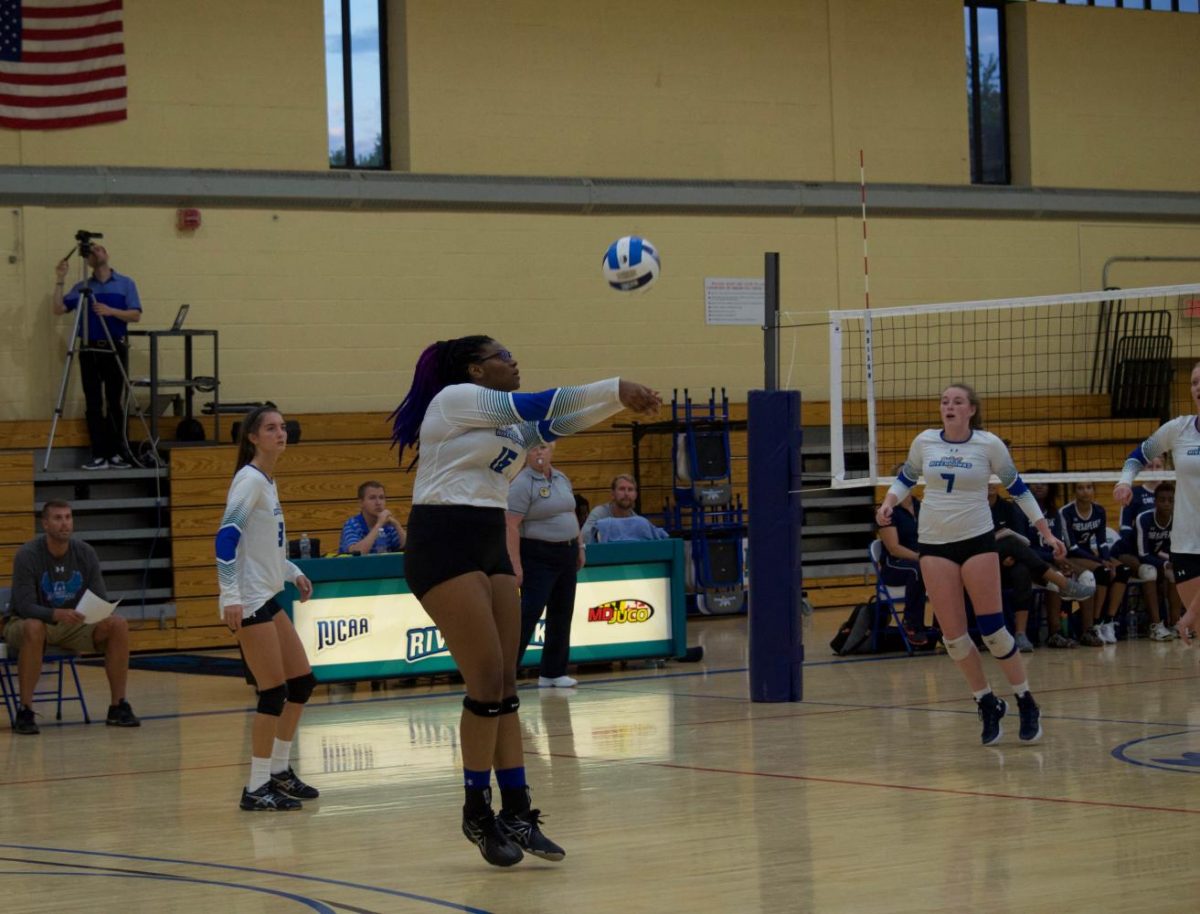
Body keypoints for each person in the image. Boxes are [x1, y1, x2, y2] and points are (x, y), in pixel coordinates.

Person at [389, 335, 659, 867]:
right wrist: (614, 384)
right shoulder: (456, 401)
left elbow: (558, 423)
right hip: (442, 542)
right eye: (502, 356)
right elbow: (538, 403)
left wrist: (615, 403)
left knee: (508, 679)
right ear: (475, 368)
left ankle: (516, 809)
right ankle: (476, 810)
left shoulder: (504, 428)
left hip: (487, 537)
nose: (513, 362)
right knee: (485, 677)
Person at [876, 383, 1067, 746]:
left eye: (957, 401)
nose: (949, 406)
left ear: (971, 410)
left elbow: (1019, 489)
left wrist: (1045, 532)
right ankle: (986, 701)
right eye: (945, 401)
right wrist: (889, 502)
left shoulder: (988, 444)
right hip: (933, 543)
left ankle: (1025, 699)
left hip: (977, 540)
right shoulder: (925, 441)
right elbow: (906, 478)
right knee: (954, 639)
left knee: (994, 631)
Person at [215, 406, 319, 812]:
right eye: (271, 428)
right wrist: (230, 596)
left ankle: (279, 771)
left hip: (266, 594)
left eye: (283, 427)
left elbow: (262, 547)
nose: (281, 433)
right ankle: (256, 786)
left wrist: (292, 572)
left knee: (302, 683)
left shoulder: (267, 481)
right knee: (273, 692)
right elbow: (226, 540)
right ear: (253, 437)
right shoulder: (249, 481)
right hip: (249, 600)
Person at [4, 501, 140, 734]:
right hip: (30, 622)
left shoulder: (85, 552)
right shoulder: (28, 554)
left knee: (118, 624)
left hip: (73, 623)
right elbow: (25, 606)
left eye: (68, 517)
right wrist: (56, 613)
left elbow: (100, 596)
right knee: (34, 627)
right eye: (57, 518)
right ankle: (25, 710)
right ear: (45, 524)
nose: (64, 523)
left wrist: (96, 611)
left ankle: (118, 706)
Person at [1115, 365, 1200, 643]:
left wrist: (1188, 615)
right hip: (1185, 543)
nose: (1198, 387)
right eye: (1194, 382)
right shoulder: (1179, 429)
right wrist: (1126, 481)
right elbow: (1137, 455)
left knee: (1192, 618)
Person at [53, 244, 142, 471]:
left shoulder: (125, 283)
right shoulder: (83, 287)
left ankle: (117, 453)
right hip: (90, 349)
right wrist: (60, 279)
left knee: (114, 401)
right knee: (93, 403)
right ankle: (99, 454)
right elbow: (58, 308)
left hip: (114, 347)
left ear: (107, 254)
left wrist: (111, 312)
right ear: (88, 260)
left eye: (100, 249)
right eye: (92, 251)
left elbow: (135, 314)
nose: (97, 252)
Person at [506, 442, 584, 688]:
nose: (539, 453)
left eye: (543, 448)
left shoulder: (561, 478)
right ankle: (507, 672)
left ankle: (553, 671)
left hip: (567, 551)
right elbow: (511, 525)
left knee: (562, 611)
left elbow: (571, 513)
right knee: (529, 612)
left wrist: (579, 545)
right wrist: (516, 565)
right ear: (525, 454)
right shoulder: (521, 484)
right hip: (538, 554)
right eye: (533, 449)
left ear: (552, 450)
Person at [987, 484, 1095, 652]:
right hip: (982, 562)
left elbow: (1021, 539)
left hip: (1008, 562)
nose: (990, 484)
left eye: (992, 480)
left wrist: (1010, 558)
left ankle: (1020, 634)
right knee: (1010, 542)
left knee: (1021, 571)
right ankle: (1064, 584)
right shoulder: (974, 508)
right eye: (986, 480)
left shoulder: (1008, 508)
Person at [1059, 481, 1129, 646]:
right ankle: (1095, 623)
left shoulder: (1099, 510)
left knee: (1123, 570)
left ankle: (1108, 621)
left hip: (1090, 554)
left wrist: (1106, 558)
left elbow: (1102, 542)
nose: (1085, 491)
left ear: (1094, 490)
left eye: (1089, 487)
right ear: (1074, 491)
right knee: (1103, 571)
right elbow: (1072, 547)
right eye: (1080, 488)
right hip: (1071, 555)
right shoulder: (1066, 512)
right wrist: (1102, 562)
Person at [1120, 482, 1181, 641]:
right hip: (1129, 555)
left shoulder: (1177, 519)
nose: (1167, 504)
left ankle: (1176, 623)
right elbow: (1143, 554)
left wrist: (1172, 562)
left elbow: (1172, 549)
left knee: (1176, 572)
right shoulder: (1144, 518)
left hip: (1154, 557)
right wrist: (1165, 564)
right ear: (1155, 502)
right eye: (1162, 500)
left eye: (1171, 500)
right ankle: (1156, 626)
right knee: (1149, 572)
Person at [876, 469, 929, 647]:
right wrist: (920, 557)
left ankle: (944, 628)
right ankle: (912, 624)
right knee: (918, 570)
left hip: (921, 560)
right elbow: (894, 549)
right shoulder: (888, 511)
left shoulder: (922, 506)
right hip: (895, 566)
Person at [339, 480, 407, 554]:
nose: (378, 503)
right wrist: (379, 524)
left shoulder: (389, 525)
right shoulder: (352, 525)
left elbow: (409, 548)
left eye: (381, 497)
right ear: (361, 503)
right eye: (372, 498)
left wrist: (397, 525)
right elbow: (357, 553)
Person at [580, 474, 639, 544]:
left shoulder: (638, 521)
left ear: (635, 495)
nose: (626, 493)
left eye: (630, 489)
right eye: (622, 489)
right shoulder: (599, 513)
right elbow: (584, 537)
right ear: (612, 494)